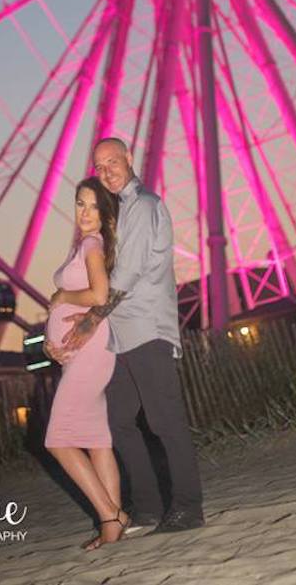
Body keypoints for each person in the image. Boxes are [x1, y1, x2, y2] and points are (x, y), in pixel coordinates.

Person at [60, 137, 205, 534]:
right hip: (122, 336)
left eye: (112, 162)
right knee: (116, 421)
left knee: (165, 421)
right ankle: (148, 508)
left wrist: (91, 318)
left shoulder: (143, 206)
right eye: (99, 166)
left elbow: (127, 274)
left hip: (147, 329)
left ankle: (189, 507)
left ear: (128, 158)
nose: (106, 171)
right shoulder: (118, 212)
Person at [42, 176, 131, 550]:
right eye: (80, 203)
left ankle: (109, 516)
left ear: (107, 211)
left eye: (94, 205)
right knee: (96, 440)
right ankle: (115, 520)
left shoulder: (93, 244)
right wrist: (50, 343)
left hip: (91, 351)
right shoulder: (87, 245)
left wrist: (62, 294)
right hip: (81, 352)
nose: (86, 212)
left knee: (58, 440)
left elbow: (98, 294)